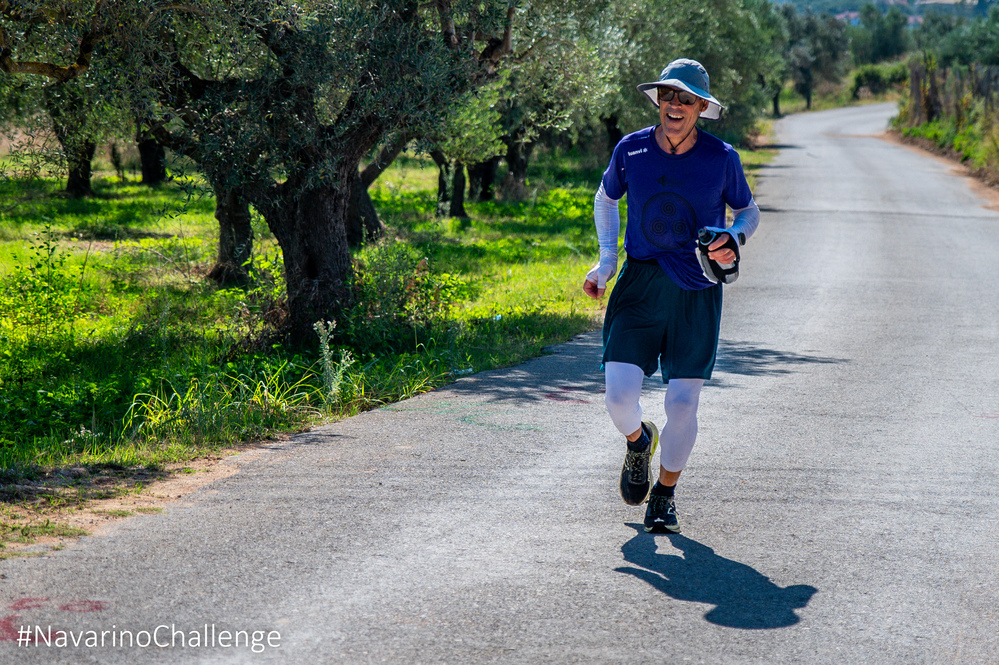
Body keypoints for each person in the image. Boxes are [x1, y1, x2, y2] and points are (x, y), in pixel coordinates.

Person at [583, 59, 760, 534]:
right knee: (619, 400)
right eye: (667, 95)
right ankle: (639, 442)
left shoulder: (721, 158)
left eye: (685, 98)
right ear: (658, 101)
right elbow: (605, 197)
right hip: (639, 283)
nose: (674, 105)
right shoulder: (631, 149)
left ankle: (664, 495)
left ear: (702, 107)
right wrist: (606, 260)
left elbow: (748, 210)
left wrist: (734, 237)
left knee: (682, 405)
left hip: (696, 291)